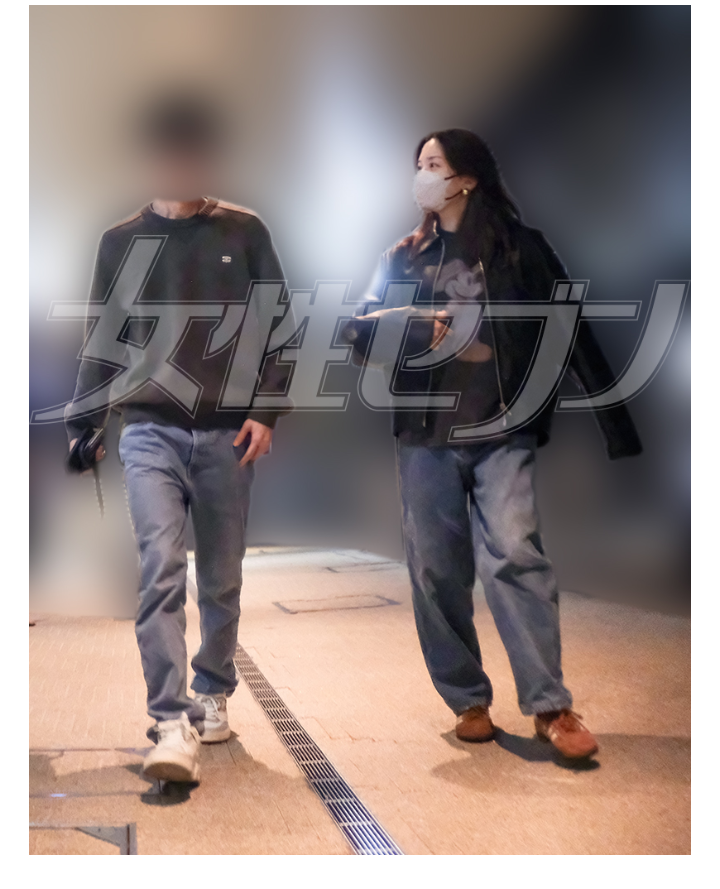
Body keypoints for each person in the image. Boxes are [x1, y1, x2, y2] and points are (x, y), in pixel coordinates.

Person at [341, 129, 642, 759]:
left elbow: (571, 330)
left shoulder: (520, 248)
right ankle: (467, 700)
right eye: (419, 164)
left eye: (433, 164)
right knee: (435, 568)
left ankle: (550, 705)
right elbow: (357, 329)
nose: (422, 175)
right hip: (426, 433)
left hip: (503, 428)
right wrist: (408, 325)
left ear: (467, 178)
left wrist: (616, 424)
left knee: (515, 553)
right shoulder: (402, 256)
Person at [65, 93, 291, 783]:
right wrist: (84, 423)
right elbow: (102, 338)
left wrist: (267, 410)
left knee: (221, 576)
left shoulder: (244, 232)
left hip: (227, 433)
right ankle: (169, 718)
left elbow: (278, 326)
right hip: (150, 430)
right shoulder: (119, 243)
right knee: (160, 565)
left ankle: (213, 690)